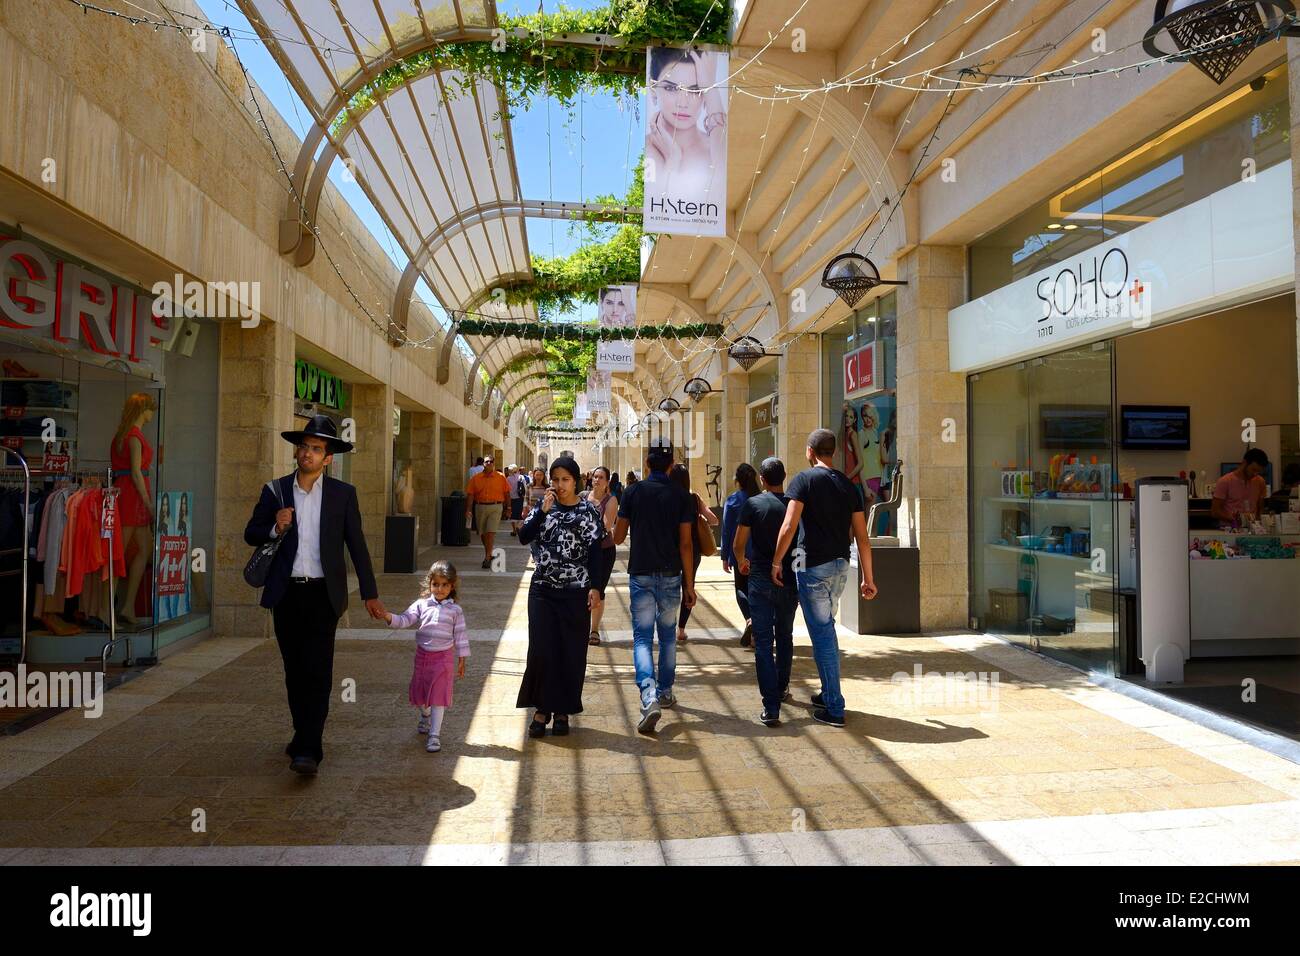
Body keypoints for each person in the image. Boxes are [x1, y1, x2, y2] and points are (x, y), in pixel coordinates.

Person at [244, 414, 385, 775]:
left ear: (328, 458)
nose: (307, 453)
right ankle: (302, 733)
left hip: (324, 595)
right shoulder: (275, 490)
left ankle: (309, 747)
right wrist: (275, 526)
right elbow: (251, 533)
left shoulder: (342, 494)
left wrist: (370, 593)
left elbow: (357, 545)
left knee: (318, 670)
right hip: (286, 595)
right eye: (304, 446)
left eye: (316, 448)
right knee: (294, 669)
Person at [772, 428, 878, 728]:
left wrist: (776, 561)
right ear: (834, 452)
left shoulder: (803, 480)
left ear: (810, 451)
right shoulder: (848, 485)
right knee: (825, 630)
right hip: (841, 567)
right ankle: (826, 692)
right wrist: (868, 578)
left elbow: (789, 525)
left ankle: (834, 706)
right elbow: (862, 537)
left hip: (811, 567)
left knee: (823, 636)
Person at [517, 457, 612, 738]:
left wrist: (596, 587)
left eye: (565, 480)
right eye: (555, 479)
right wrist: (542, 513)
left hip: (575, 592)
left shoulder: (587, 511)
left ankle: (562, 711)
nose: (559, 485)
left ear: (575, 481)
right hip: (543, 590)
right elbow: (524, 537)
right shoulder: (543, 506)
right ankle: (541, 710)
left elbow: (597, 551)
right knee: (542, 650)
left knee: (570, 652)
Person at [612, 438, 696, 735]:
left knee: (642, 638)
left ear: (647, 463)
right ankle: (665, 691)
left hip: (641, 573)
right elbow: (686, 544)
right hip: (672, 574)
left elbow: (619, 537)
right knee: (669, 637)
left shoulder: (633, 492)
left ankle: (648, 696)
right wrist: (690, 584)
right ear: (672, 464)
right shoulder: (682, 496)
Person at [733, 457, 798, 727]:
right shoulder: (794, 507)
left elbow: (739, 543)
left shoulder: (753, 504)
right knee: (784, 634)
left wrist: (741, 562)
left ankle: (771, 707)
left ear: (762, 478)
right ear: (784, 477)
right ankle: (781, 688)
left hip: (760, 577)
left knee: (763, 641)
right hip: (790, 578)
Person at [386, 560, 468, 754]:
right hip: (423, 658)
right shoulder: (422, 605)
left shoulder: (455, 610)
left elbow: (461, 636)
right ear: (429, 584)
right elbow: (404, 620)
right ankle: (425, 714)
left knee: (439, 696)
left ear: (452, 586)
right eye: (435, 584)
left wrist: (462, 658)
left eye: (444, 585)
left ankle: (434, 735)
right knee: (422, 696)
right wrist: (388, 616)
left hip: (444, 659)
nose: (439, 589)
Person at [111, 392, 156, 626]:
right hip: (132, 495)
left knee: (143, 549)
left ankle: (126, 606)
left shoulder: (124, 435)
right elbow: (137, 472)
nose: (152, 413)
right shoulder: (134, 436)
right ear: (143, 410)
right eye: (150, 409)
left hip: (128, 492)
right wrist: (148, 502)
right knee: (120, 553)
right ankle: (110, 609)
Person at [668, 463, 717, 645]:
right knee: (688, 586)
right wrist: (700, 518)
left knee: (670, 586)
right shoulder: (694, 499)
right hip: (693, 550)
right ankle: (681, 629)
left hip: (670, 549)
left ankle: (668, 624)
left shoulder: (667, 498)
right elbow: (714, 519)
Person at [721, 463, 761, 650]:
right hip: (761, 553)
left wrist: (725, 555)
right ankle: (757, 626)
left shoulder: (733, 500)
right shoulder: (761, 499)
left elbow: (727, 530)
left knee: (740, 588)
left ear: (737, 481)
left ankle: (750, 618)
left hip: (741, 553)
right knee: (758, 590)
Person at [584, 466, 619, 646]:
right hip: (582, 551)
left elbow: (606, 526)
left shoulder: (610, 500)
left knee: (598, 589)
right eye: (594, 477)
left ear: (607, 482)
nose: (596, 480)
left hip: (603, 551)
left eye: (600, 477)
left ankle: (594, 629)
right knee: (581, 589)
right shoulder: (583, 497)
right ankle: (581, 627)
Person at [465, 455, 511, 569]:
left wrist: (509, 508)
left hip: (496, 507)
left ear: (494, 463)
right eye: (487, 462)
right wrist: (468, 510)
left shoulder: (501, 477)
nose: (489, 463)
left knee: (490, 532)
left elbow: (507, 493)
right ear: (483, 464)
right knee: (482, 533)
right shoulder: (476, 478)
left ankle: (487, 557)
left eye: (491, 461)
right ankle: (489, 554)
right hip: (480, 506)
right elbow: (470, 494)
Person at [1212, 449, 1270, 525]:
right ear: (1244, 463)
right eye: (1253, 470)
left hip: (1252, 529)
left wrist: (1258, 522)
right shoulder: (1225, 481)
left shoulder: (1260, 481)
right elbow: (1215, 511)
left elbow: (1260, 507)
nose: (1255, 474)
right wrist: (1234, 521)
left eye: (1258, 471)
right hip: (1229, 529)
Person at [508, 465, 528, 536]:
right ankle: (518, 528)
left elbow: (507, 490)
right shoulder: (521, 477)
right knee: (520, 514)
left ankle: (514, 530)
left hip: (512, 498)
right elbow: (525, 488)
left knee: (512, 514)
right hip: (520, 498)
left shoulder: (508, 478)